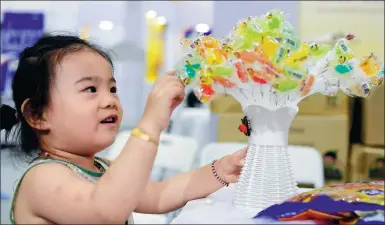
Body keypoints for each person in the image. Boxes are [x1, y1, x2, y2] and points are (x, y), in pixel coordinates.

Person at [0, 34, 247, 224]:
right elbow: (105, 211)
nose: (109, 100)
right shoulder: (42, 179)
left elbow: (161, 195)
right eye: (90, 89)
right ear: (37, 115)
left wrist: (219, 171)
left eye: (112, 89)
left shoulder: (106, 169)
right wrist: (150, 123)